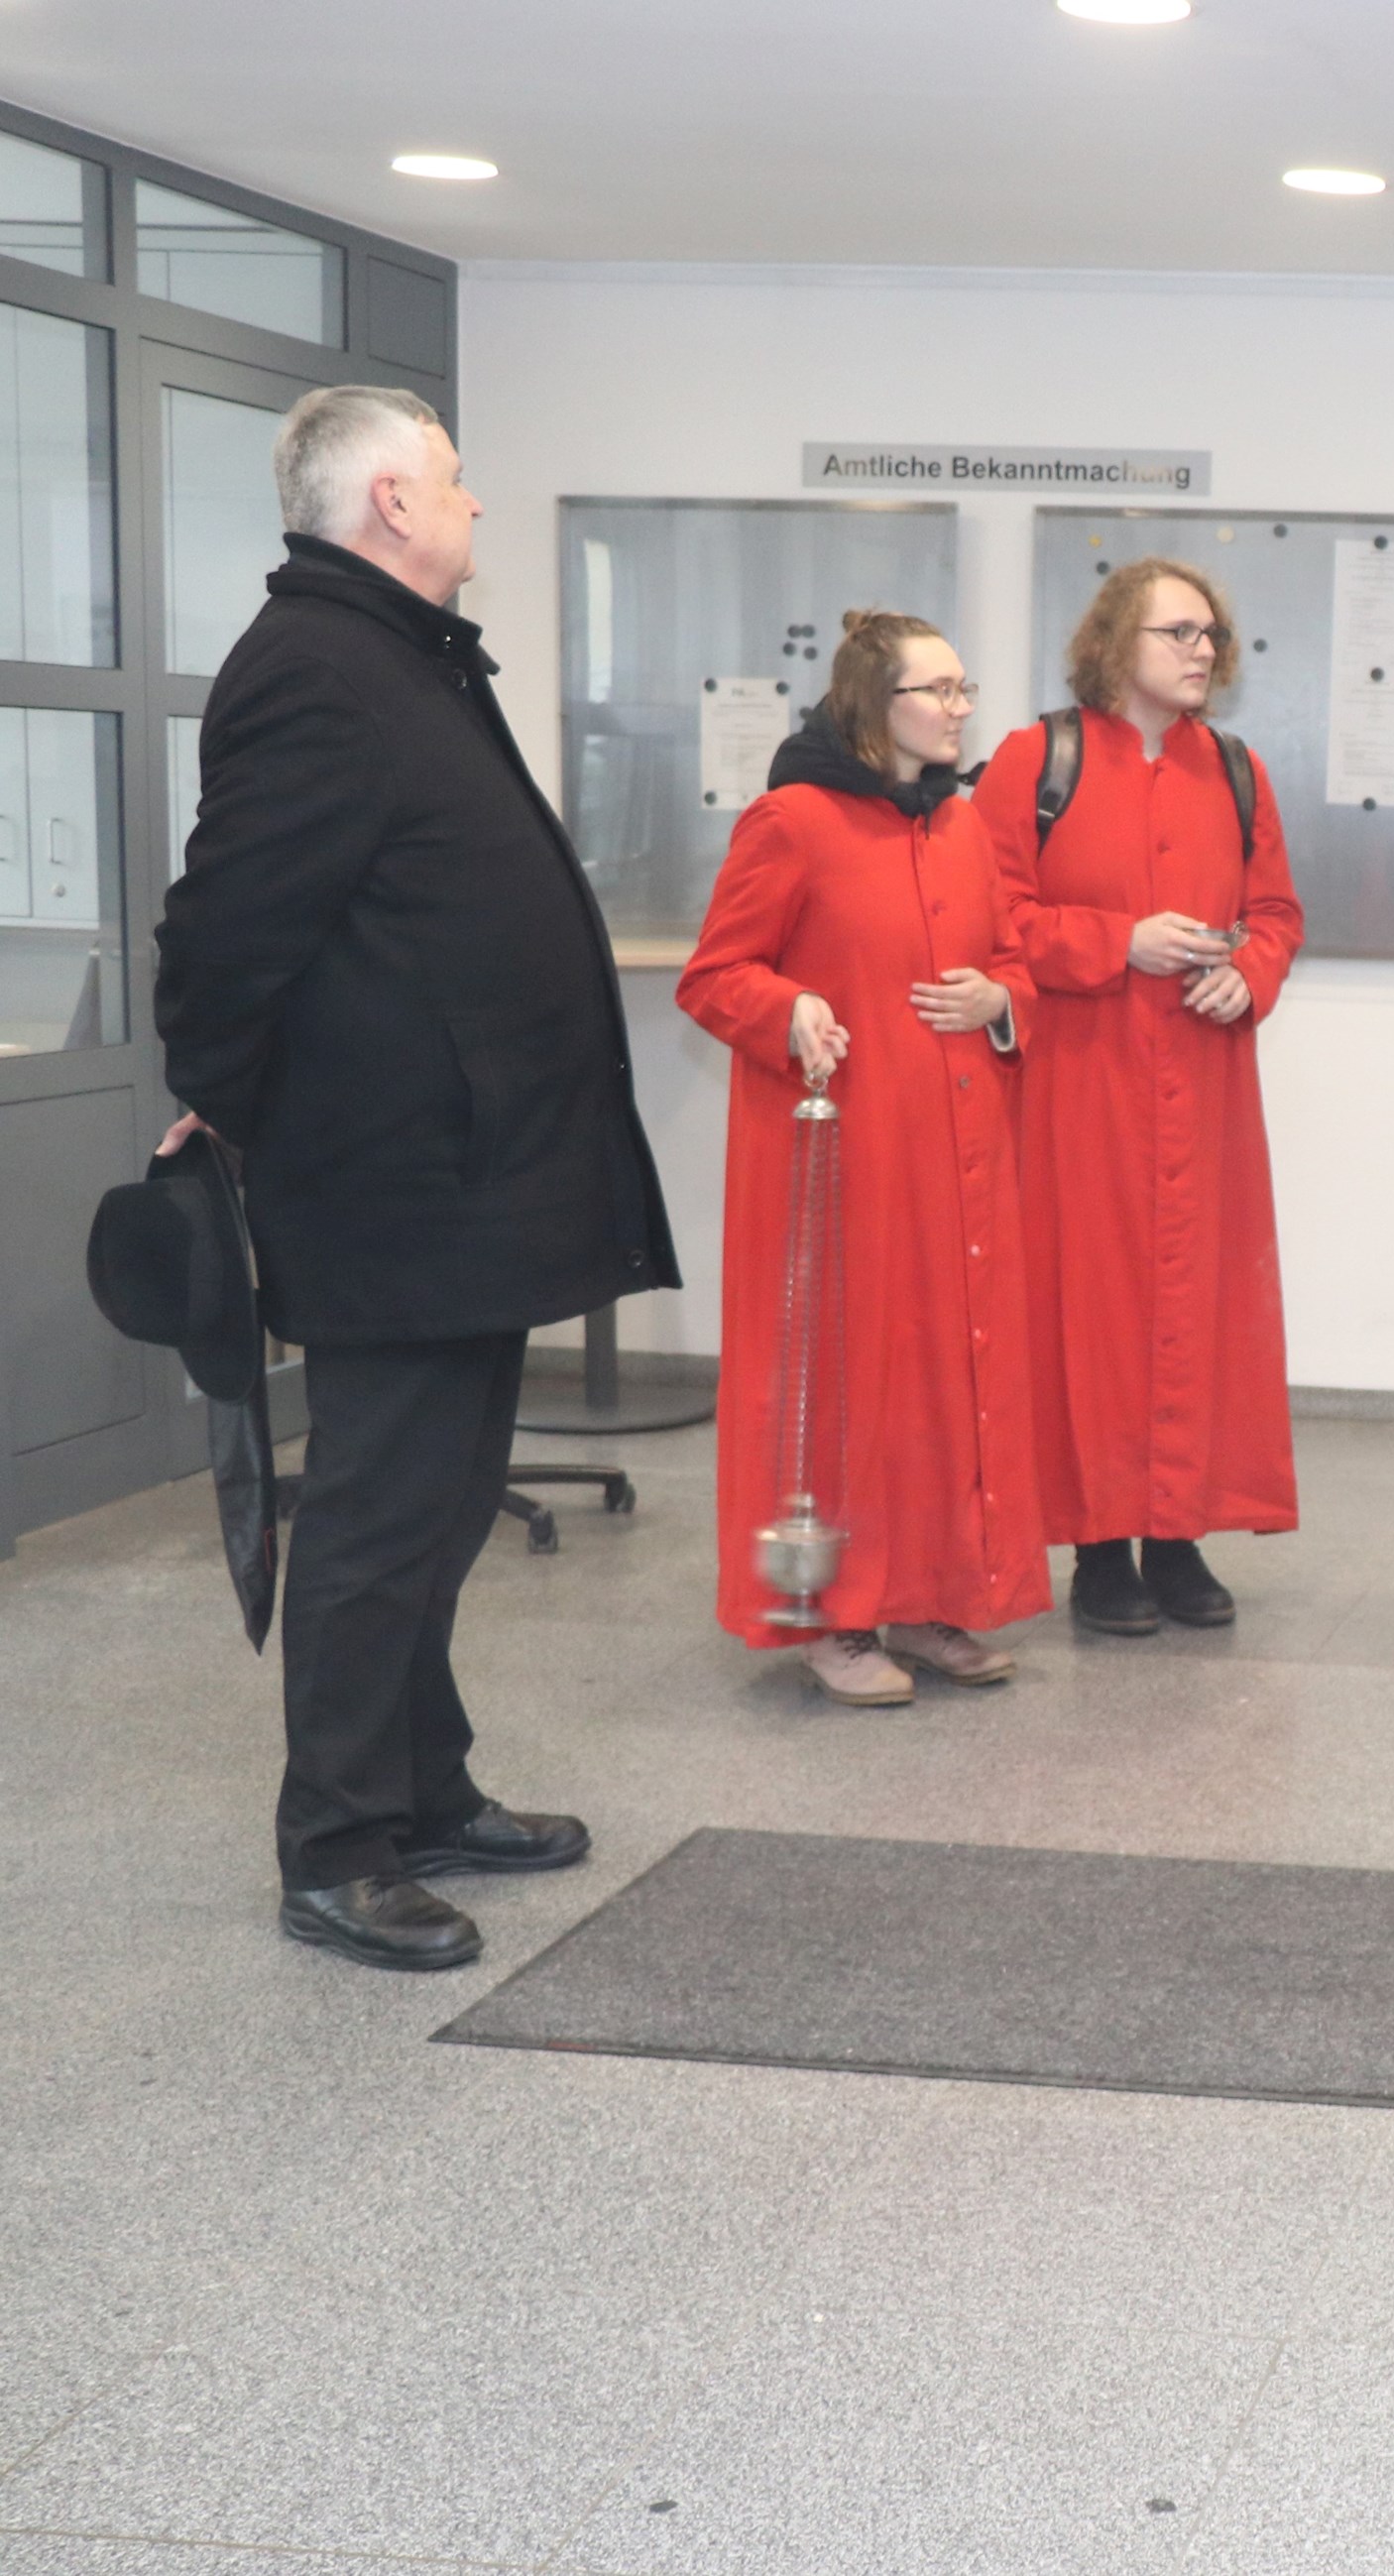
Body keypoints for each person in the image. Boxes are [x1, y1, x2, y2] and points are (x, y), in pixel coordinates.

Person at [152, 385, 678, 1971]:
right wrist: (225, 1106)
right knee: (384, 1514)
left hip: (469, 1176)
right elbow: (224, 933)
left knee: (443, 1502)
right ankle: (337, 1842)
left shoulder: (398, 654)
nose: (467, 502)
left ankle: (427, 1787)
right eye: (452, 479)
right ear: (389, 501)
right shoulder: (317, 669)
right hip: (394, 1183)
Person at [678, 613, 1047, 1703]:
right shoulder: (791, 820)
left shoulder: (964, 825)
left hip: (960, 1160)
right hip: (845, 1168)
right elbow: (713, 975)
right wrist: (787, 1007)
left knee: (948, 1375)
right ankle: (836, 1617)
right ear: (868, 706)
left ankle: (934, 1602)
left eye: (963, 687)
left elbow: (1013, 961)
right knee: (845, 1383)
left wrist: (1001, 999)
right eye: (935, 690)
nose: (959, 707)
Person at [971, 557, 1303, 1638]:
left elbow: (1277, 916)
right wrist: (1120, 941)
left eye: (1211, 633)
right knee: (1088, 1309)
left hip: (1203, 1086)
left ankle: (1176, 1536)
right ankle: (1099, 1550)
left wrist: (1242, 972)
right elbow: (990, 920)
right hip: (1080, 1081)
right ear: (1116, 645)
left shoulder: (1239, 771)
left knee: (1198, 1309)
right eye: (1177, 632)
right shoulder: (1035, 761)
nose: (1203, 649)